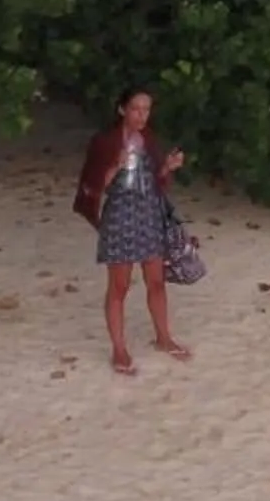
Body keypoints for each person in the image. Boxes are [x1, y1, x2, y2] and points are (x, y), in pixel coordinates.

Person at [72, 88, 194, 376]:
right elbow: (93, 185)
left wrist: (167, 167)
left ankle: (164, 338)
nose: (142, 115)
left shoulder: (149, 139)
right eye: (136, 109)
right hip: (120, 218)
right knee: (119, 287)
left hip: (148, 215)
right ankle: (119, 348)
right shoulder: (105, 141)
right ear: (122, 110)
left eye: (147, 109)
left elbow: (155, 180)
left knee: (156, 281)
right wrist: (117, 162)